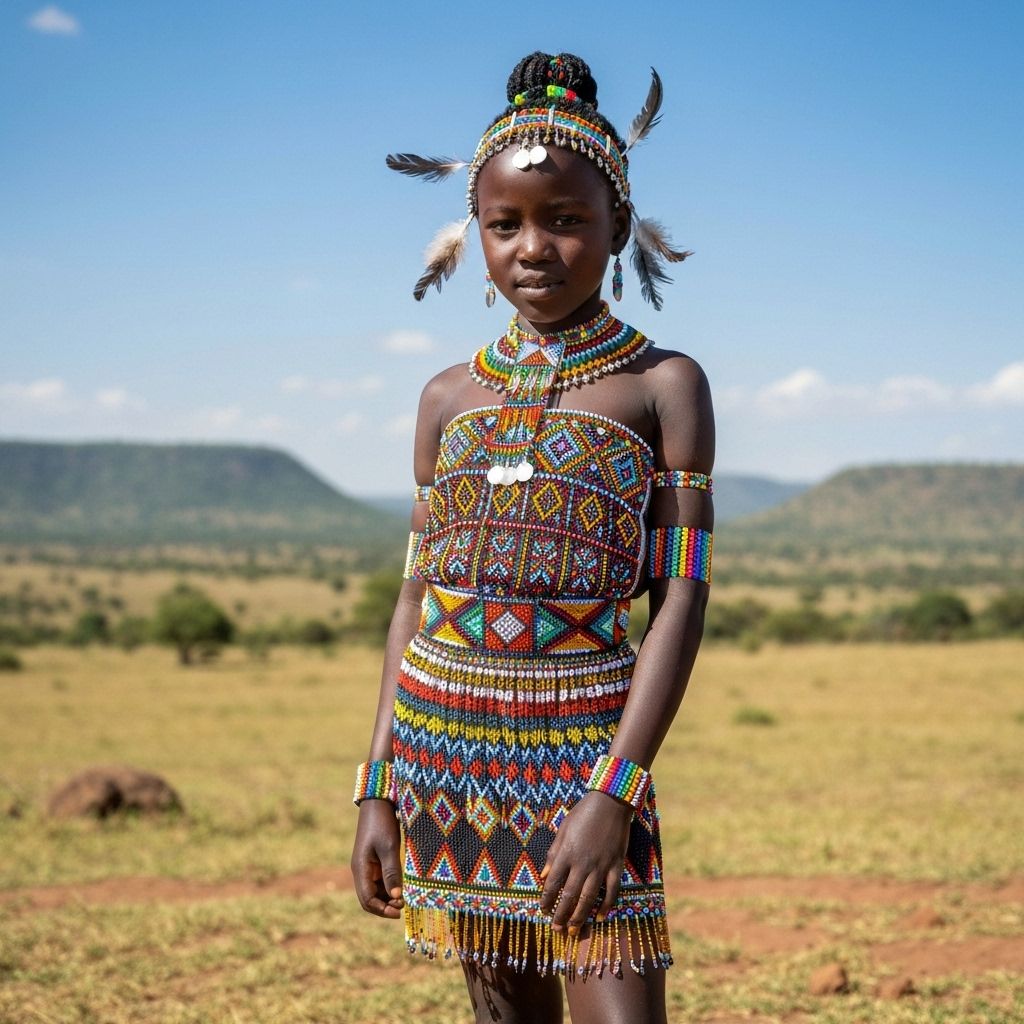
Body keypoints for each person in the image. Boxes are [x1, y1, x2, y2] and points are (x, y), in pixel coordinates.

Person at [351, 51, 715, 1024]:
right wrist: (377, 786)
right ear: (474, 232)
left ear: (617, 227)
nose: (533, 248)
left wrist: (616, 793)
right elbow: (414, 602)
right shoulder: (444, 399)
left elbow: (679, 596)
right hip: (448, 760)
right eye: (504, 224)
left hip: (589, 765)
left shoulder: (661, 385)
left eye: (565, 220)